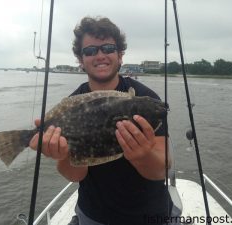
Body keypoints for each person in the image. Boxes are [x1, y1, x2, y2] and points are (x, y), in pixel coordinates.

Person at [30, 16, 175, 225]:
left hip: (149, 215)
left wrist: (142, 156)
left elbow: (161, 170)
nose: (100, 55)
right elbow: (74, 175)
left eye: (107, 48)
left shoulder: (146, 98)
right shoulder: (72, 104)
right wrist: (61, 154)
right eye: (90, 51)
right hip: (93, 215)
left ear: (120, 54)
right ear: (81, 60)